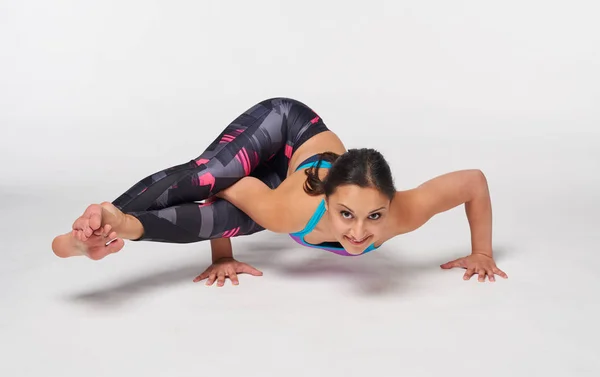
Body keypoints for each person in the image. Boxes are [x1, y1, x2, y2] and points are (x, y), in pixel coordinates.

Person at [51, 97, 508, 286]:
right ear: (327, 199)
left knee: (235, 220)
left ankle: (119, 227)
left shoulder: (405, 212)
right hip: (287, 128)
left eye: (374, 217)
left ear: (390, 204)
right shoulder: (290, 209)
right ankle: (108, 221)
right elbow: (227, 186)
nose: (358, 232)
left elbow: (474, 183)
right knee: (212, 172)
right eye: (346, 214)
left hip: (281, 179)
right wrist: (218, 254)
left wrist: (482, 252)